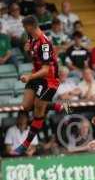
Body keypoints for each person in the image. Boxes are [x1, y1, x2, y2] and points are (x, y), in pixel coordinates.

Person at [11, 16, 67, 156]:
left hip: (49, 80)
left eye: (25, 27)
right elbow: (34, 58)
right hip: (36, 76)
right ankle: (58, 106)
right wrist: (27, 51)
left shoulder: (44, 43)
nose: (24, 30)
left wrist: (29, 76)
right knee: (26, 106)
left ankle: (25, 144)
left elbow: (46, 70)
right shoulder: (31, 37)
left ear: (30, 26)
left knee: (38, 112)